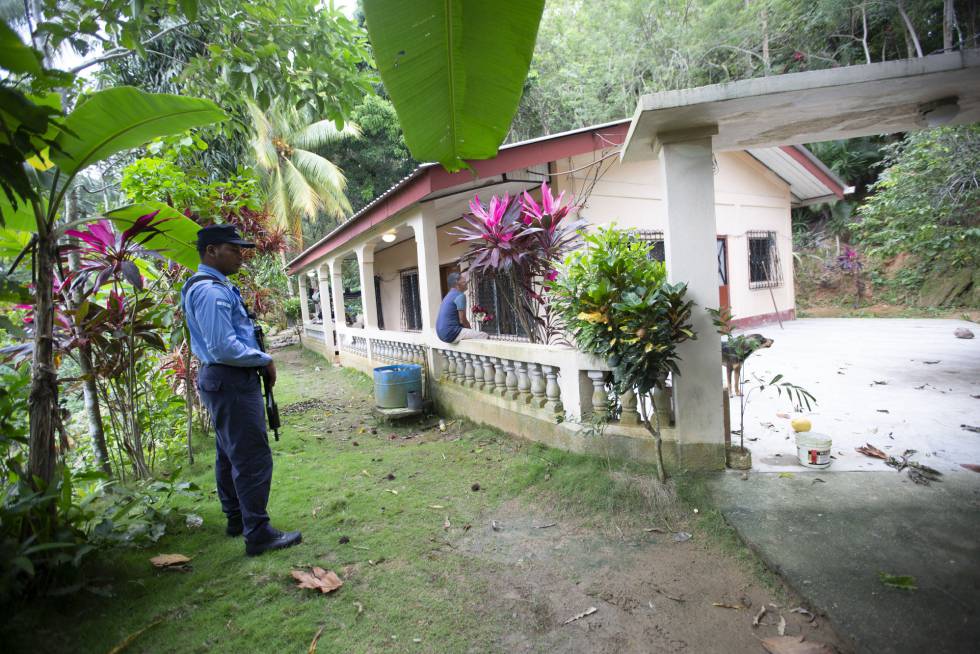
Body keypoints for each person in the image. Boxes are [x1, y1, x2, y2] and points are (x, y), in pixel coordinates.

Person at [181, 224, 302, 557]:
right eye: (233, 249)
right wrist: (264, 358)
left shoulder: (212, 286)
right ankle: (258, 533)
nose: (240, 255)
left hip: (223, 380)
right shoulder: (211, 292)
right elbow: (223, 347)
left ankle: (237, 518)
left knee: (228, 452)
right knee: (251, 456)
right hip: (231, 379)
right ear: (211, 251)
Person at [436, 272, 489, 344]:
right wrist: (470, 330)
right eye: (464, 281)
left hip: (441, 334)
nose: (466, 282)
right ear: (457, 283)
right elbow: (462, 320)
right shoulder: (460, 296)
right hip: (451, 333)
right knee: (484, 336)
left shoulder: (448, 295)